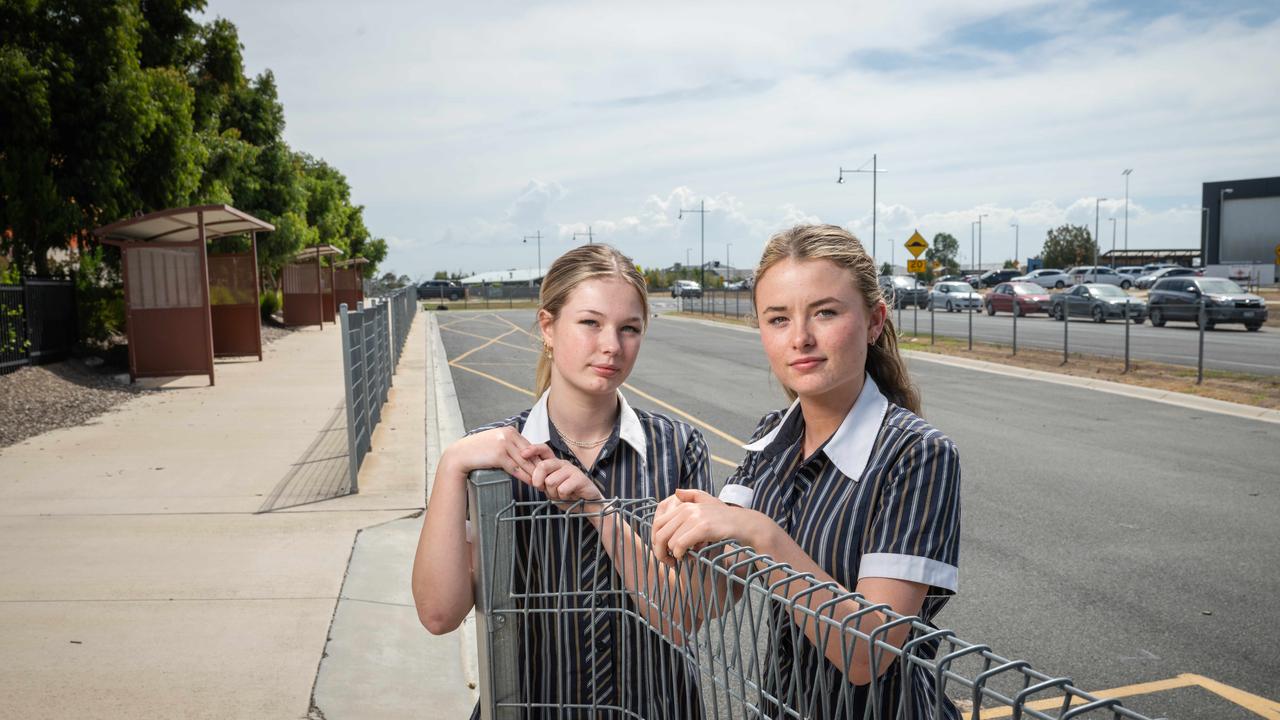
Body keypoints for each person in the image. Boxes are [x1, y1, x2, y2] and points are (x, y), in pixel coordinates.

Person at [651, 224, 962, 719]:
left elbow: (868, 655)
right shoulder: (773, 436)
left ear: (875, 321)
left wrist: (760, 534)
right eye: (778, 319)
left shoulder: (917, 454)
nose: (801, 338)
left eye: (825, 312)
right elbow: (693, 605)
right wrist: (606, 510)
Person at [411, 243, 711, 719]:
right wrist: (451, 466)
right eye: (590, 323)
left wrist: (601, 512)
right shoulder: (490, 460)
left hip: (655, 706)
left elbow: (682, 617)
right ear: (548, 327)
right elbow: (438, 613)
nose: (611, 345)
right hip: (532, 707)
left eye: (629, 328)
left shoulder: (678, 448)